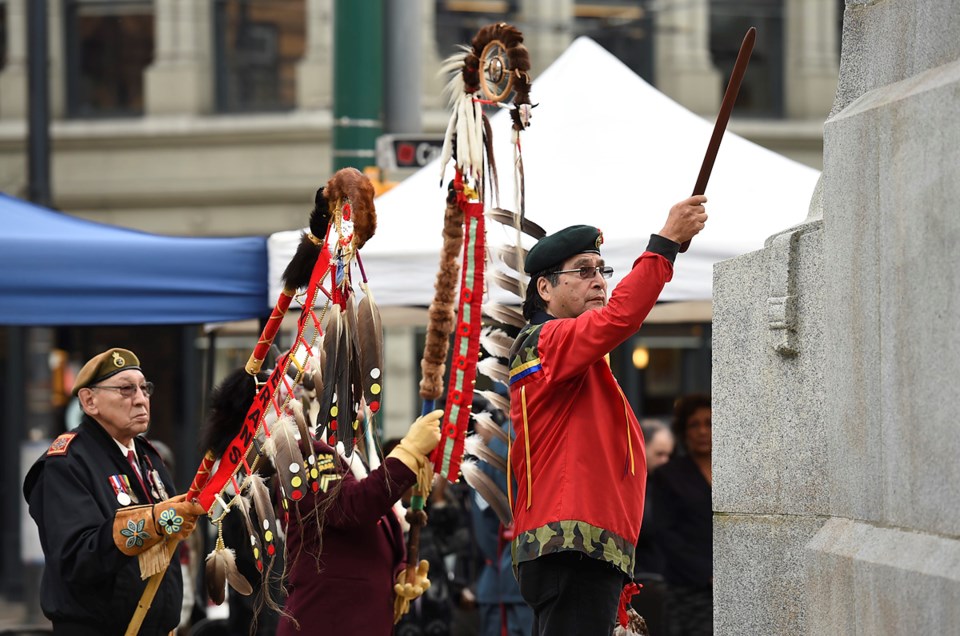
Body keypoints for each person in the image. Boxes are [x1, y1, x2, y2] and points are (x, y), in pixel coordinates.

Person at [506, 196, 707, 636]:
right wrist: (665, 242)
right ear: (545, 288)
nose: (598, 280)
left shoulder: (573, 354)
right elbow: (621, 317)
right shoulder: (544, 340)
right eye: (583, 270)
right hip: (572, 550)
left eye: (602, 269)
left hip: (585, 551)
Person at [23, 347, 206, 635]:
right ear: (89, 400)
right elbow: (77, 558)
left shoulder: (149, 456)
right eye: (125, 390)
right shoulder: (66, 463)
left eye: (144, 389)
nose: (140, 400)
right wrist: (154, 521)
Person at [275, 409, 444, 635]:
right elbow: (349, 507)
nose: (365, 400)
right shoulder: (308, 451)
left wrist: (398, 574)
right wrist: (409, 452)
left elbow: (368, 536)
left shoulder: (351, 457)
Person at [647, 394, 712, 636]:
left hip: (735, 583)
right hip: (688, 589)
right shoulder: (669, 475)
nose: (703, 431)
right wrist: (707, 574)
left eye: (710, 423)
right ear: (683, 431)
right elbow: (666, 534)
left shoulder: (732, 475)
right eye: (695, 424)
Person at [633, 419, 676, 636]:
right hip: (641, 585)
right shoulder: (635, 485)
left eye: (668, 455)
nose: (665, 461)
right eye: (659, 454)